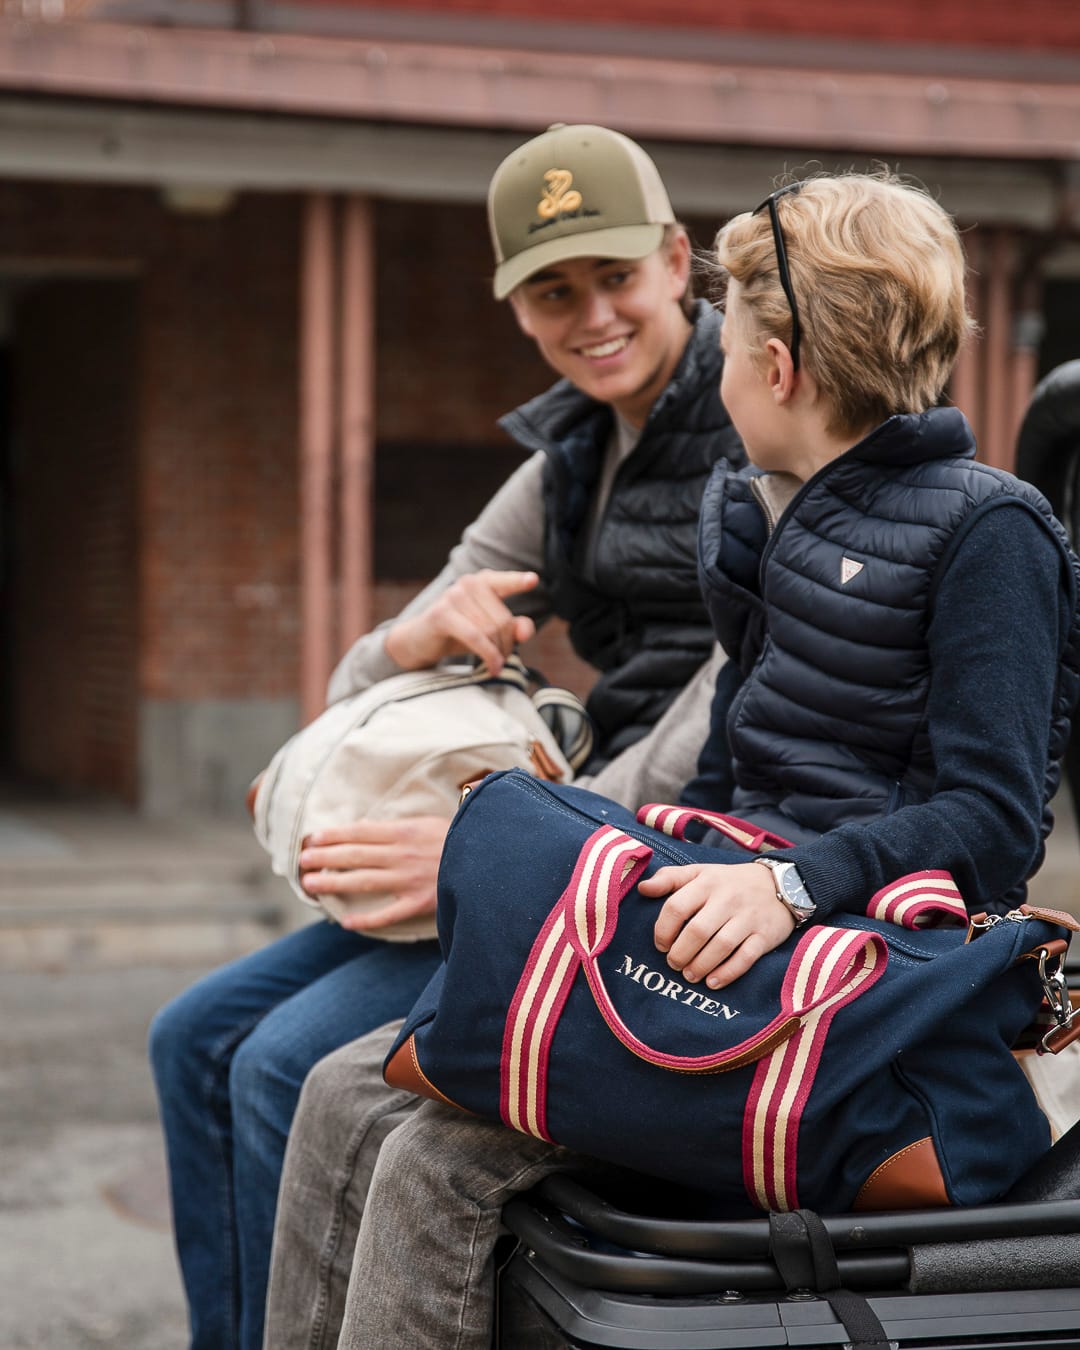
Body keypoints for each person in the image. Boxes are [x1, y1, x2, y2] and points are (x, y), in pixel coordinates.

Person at [263, 169, 1080, 1350]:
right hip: (720, 907)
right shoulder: (758, 514)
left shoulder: (990, 530)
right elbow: (728, 777)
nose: (721, 361)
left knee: (435, 1163)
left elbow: (997, 823)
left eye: (733, 340)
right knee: (348, 1084)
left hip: (854, 967)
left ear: (781, 368)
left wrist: (790, 885)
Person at [148, 121, 745, 1350]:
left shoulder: (751, 421)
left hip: (663, 847)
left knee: (274, 1067)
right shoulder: (569, 452)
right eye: (551, 292)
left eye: (615, 278)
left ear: (679, 261)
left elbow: (735, 697)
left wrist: (492, 852)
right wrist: (413, 638)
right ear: (520, 307)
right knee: (191, 1035)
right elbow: (363, 672)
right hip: (570, 815)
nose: (591, 318)